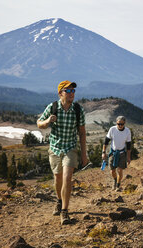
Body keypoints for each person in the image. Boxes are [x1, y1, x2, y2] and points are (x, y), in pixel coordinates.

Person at [37, 80, 89, 225]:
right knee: (58, 178)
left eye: (73, 91)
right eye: (68, 91)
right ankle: (59, 201)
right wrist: (47, 121)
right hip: (54, 148)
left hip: (70, 148)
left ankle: (64, 212)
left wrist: (84, 155)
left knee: (67, 178)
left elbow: (82, 133)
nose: (72, 93)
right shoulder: (53, 107)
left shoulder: (78, 110)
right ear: (60, 93)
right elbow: (39, 123)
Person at [102, 116, 132, 191]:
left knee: (120, 170)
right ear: (116, 123)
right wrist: (103, 152)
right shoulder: (112, 129)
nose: (120, 126)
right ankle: (115, 180)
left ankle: (118, 185)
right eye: (119, 124)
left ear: (124, 123)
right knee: (112, 170)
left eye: (122, 124)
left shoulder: (127, 131)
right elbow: (106, 142)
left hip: (122, 153)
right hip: (113, 152)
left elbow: (128, 146)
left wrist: (128, 157)